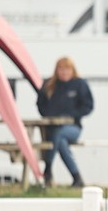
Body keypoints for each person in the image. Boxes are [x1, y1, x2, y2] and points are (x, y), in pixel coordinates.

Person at [36, 57, 93, 188]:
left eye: (67, 69)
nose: (64, 72)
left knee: (59, 134)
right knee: (60, 142)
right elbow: (40, 105)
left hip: (73, 128)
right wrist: (49, 115)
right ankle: (77, 178)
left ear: (72, 70)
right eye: (61, 69)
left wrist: (72, 115)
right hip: (51, 128)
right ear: (56, 70)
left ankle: (48, 169)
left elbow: (88, 106)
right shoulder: (49, 85)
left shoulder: (80, 84)